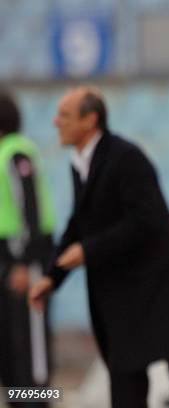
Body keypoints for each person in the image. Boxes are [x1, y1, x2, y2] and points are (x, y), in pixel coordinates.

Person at [28, 87, 169, 408]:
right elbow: (78, 225)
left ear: (90, 120)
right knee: (126, 385)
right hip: (124, 300)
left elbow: (146, 221)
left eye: (64, 116)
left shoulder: (125, 157)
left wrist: (89, 251)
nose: (55, 122)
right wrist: (53, 277)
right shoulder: (81, 162)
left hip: (163, 290)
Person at [0, 91, 55, 405]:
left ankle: (36, 400)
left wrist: (25, 262)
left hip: (26, 258)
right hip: (8, 257)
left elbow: (29, 208)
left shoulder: (16, 153)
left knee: (31, 350)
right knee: (11, 344)